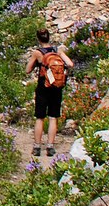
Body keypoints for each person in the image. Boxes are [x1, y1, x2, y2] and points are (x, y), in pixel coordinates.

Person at [24, 28, 74, 158]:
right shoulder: (57, 51)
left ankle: (37, 146)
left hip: (43, 86)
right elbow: (70, 64)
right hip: (57, 87)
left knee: (40, 117)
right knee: (53, 117)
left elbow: (28, 70)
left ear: (38, 39)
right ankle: (50, 146)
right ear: (49, 37)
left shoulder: (37, 53)